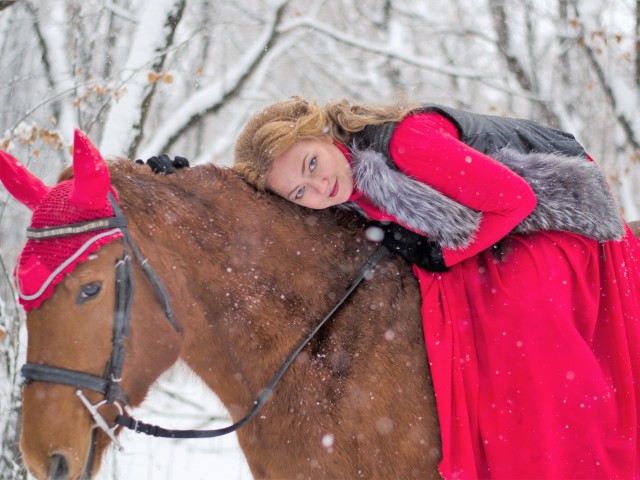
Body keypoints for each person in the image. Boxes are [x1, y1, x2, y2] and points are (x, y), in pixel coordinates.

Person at [154, 97, 640, 478]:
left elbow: (517, 199)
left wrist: (445, 255)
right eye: (300, 192)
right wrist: (184, 189)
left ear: (324, 133)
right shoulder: (341, 177)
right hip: (493, 228)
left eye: (311, 165)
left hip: (553, 224)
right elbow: (271, 221)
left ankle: (564, 453)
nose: (318, 188)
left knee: (510, 315)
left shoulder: (407, 144)